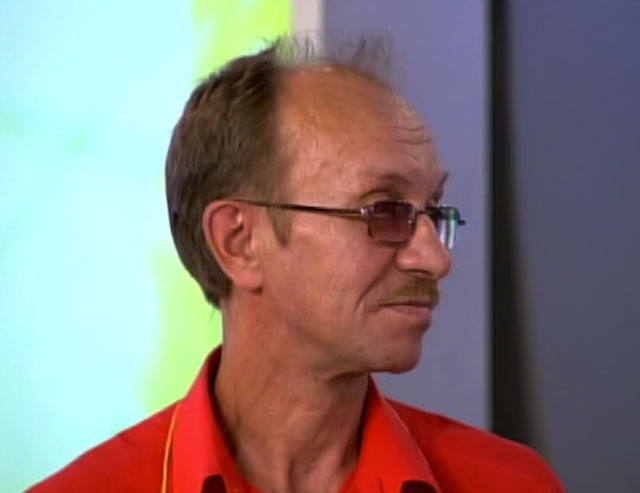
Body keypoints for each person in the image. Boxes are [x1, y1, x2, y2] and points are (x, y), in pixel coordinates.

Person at [29, 38, 563, 493]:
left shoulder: (510, 483)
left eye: (434, 209)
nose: (435, 259)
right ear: (239, 242)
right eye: (383, 210)